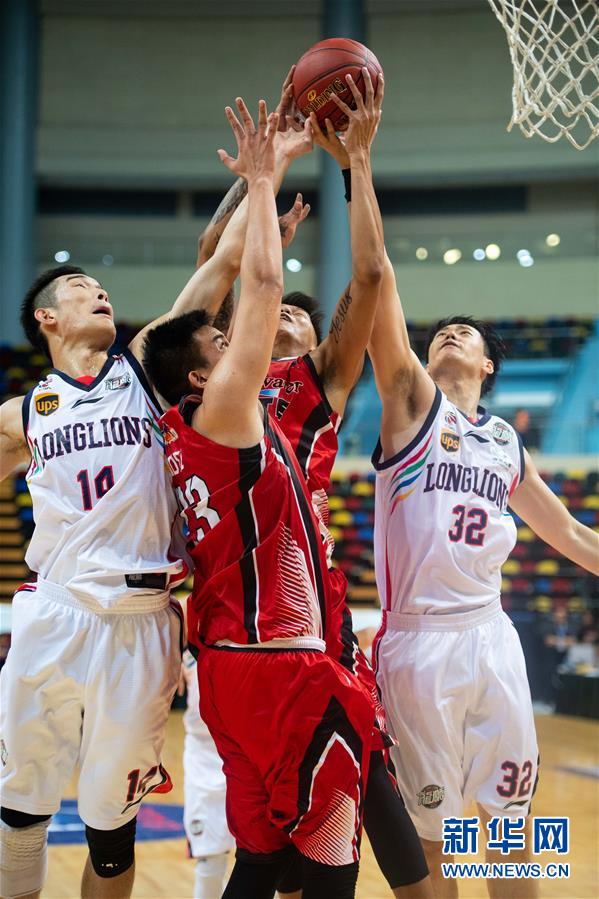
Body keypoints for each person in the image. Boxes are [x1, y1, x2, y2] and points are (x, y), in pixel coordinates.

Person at [0, 174, 276, 896]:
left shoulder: (144, 367)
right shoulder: (21, 413)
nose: (99, 293)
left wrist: (264, 171)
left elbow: (219, 267)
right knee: (19, 810)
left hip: (143, 620)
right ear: (45, 318)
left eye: (101, 286)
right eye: (81, 287)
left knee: (111, 827)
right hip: (55, 612)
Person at [193, 70, 433, 899]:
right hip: (232, 622)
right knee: (277, 846)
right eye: (278, 311)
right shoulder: (216, 384)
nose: (288, 315)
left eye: (299, 315)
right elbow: (216, 268)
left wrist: (354, 165)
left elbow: (367, 282)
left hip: (313, 628)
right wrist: (258, 176)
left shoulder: (314, 385)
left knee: (368, 816)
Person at [143, 96, 377, 899]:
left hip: (230, 668)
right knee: (322, 859)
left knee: (260, 858)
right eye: (221, 339)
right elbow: (256, 285)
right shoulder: (228, 414)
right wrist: (263, 176)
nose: (234, 331)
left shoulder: (179, 426)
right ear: (207, 373)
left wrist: (257, 196)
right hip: (280, 663)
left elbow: (231, 283)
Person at [364, 249, 599, 897]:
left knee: (508, 827)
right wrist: (359, 170)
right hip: (418, 644)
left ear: (487, 365)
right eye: (440, 329)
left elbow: (572, 534)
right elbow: (376, 287)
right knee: (434, 838)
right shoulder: (409, 408)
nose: (448, 332)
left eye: (464, 332)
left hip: (490, 639)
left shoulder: (502, 440)